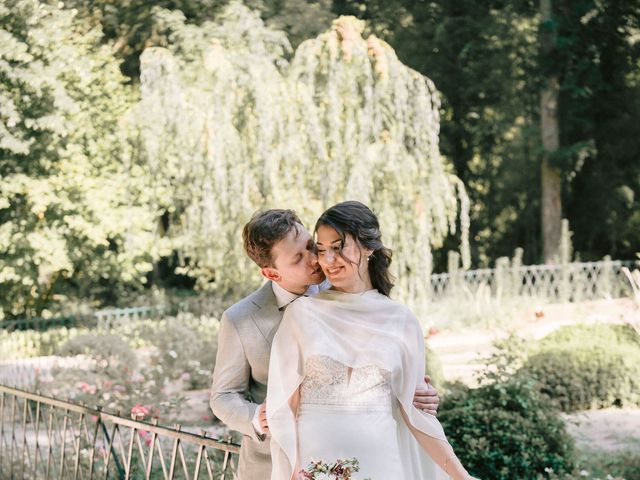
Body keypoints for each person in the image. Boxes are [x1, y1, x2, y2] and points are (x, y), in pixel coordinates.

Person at [210, 209, 441, 480]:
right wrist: (256, 416)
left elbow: (376, 360)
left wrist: (416, 393)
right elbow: (222, 396)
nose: (315, 260)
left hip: (352, 461)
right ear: (272, 273)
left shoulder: (345, 287)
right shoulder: (240, 319)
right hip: (270, 464)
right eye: (298, 258)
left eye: (311, 246)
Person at [266, 201, 478, 480]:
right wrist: (293, 472)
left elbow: (416, 415)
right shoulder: (302, 314)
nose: (327, 260)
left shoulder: (401, 320)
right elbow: (285, 407)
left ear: (368, 247)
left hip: (381, 462)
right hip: (316, 466)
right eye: (322, 249)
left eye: (338, 246)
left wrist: (461, 476)